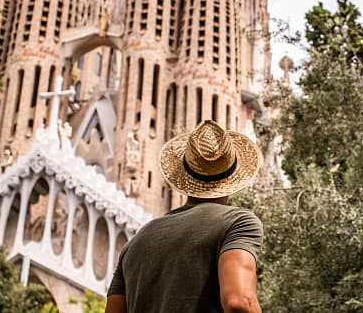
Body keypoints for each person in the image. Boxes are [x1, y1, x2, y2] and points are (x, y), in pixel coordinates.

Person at [106, 120, 264, 313]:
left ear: (185, 173)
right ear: (232, 176)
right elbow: (240, 302)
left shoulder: (136, 242)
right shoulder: (238, 222)